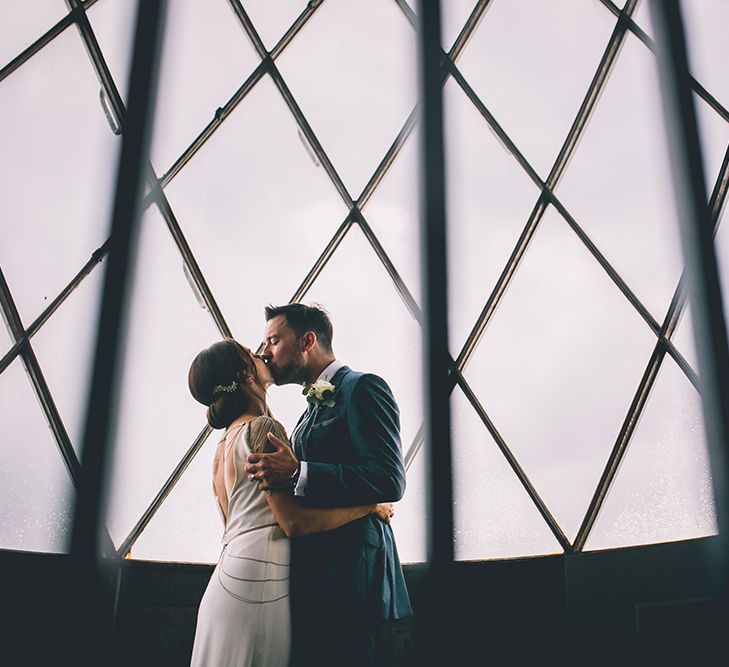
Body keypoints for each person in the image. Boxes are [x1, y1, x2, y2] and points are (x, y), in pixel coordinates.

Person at [186, 338, 394, 667]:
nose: (262, 355)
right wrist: (369, 506)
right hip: (259, 583)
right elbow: (294, 523)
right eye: (253, 355)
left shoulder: (222, 444)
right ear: (245, 372)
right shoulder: (264, 428)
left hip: (224, 582)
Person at [245, 303, 412, 667]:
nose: (265, 352)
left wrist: (298, 472)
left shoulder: (363, 387)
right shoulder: (307, 414)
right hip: (313, 573)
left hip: (351, 574)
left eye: (273, 340)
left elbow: (389, 478)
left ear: (307, 340)